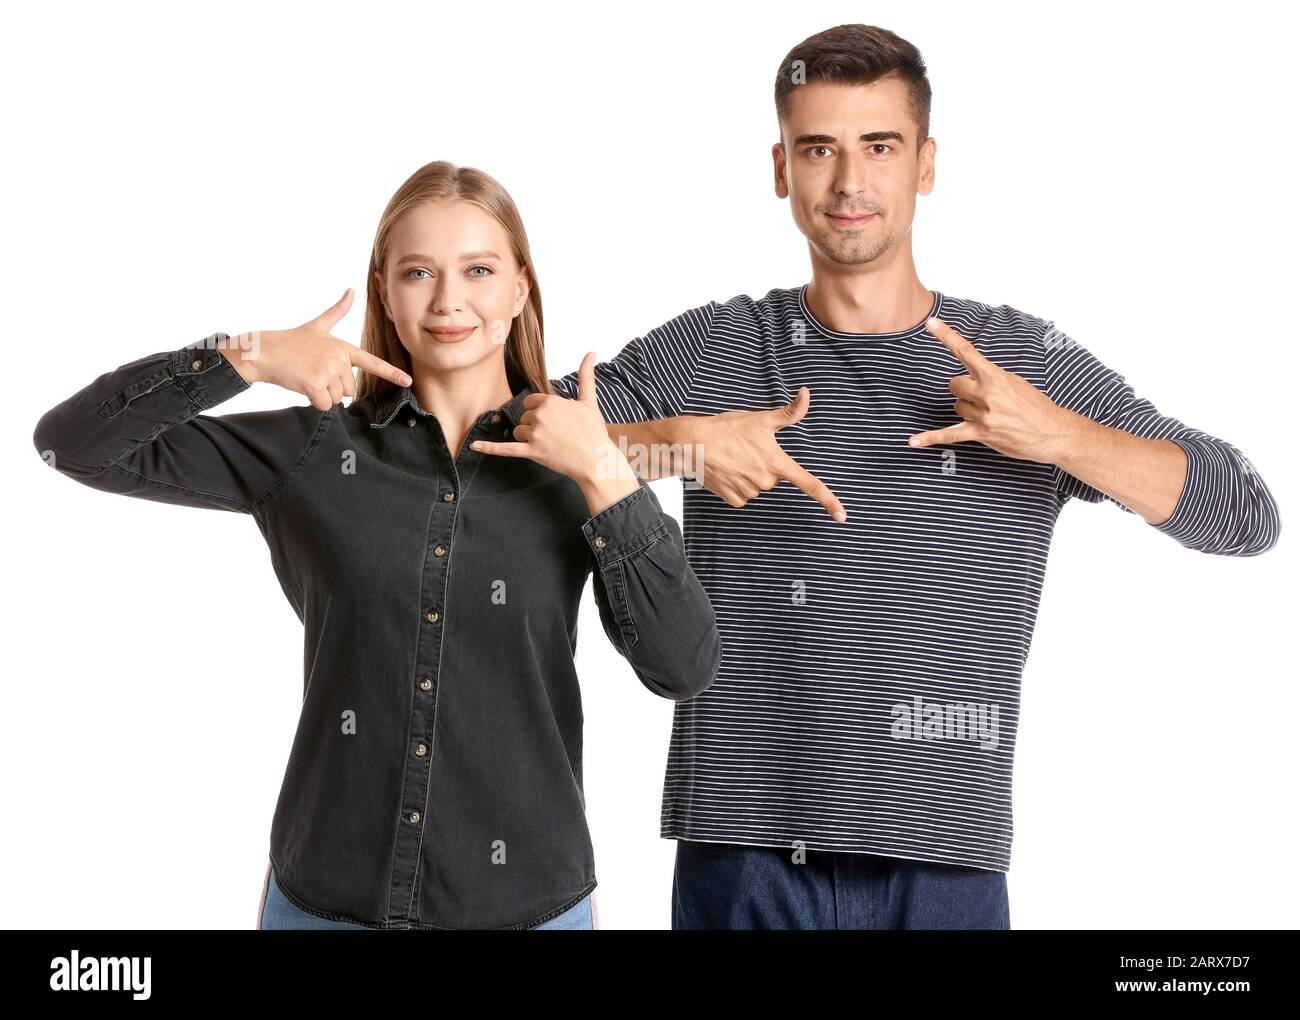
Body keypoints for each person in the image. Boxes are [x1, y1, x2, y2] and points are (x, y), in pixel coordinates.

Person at [534, 24, 1282, 929]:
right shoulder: (717, 348)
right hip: (742, 852)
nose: (850, 184)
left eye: (879, 147)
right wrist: (680, 444)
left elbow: (1245, 512)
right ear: (781, 169)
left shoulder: (1015, 359)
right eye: (820, 149)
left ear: (926, 164)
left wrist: (1060, 436)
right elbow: (518, 442)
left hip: (946, 862)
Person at [32, 160, 722, 930]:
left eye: (479, 270)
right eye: (419, 271)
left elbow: (682, 666)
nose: (449, 299)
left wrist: (603, 473)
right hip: (328, 899)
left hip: (525, 902)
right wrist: (244, 355)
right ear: (386, 292)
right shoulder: (312, 450)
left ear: (520, 287)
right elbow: (73, 445)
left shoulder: (581, 458)